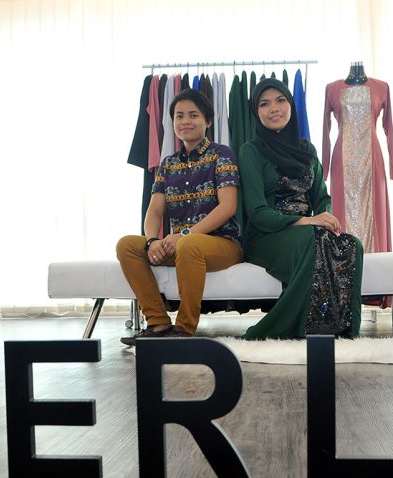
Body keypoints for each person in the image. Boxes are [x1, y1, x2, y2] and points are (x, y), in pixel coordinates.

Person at [116, 88, 243, 346]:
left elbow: (228, 207)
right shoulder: (168, 164)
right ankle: (158, 322)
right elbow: (154, 210)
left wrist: (183, 235)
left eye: (193, 115)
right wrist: (152, 241)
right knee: (127, 245)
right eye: (179, 116)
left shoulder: (222, 154)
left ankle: (184, 329)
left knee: (189, 244)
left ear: (208, 121)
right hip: (181, 246)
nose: (185, 121)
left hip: (222, 245)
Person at [239, 78, 363, 340]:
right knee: (311, 238)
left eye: (280, 100)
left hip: (306, 232)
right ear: (256, 112)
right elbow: (257, 212)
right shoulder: (251, 151)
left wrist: (326, 217)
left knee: (351, 244)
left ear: (291, 105)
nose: (274, 108)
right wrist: (307, 221)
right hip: (266, 236)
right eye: (264, 104)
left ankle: (336, 329)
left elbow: (321, 196)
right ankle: (281, 330)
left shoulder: (307, 150)